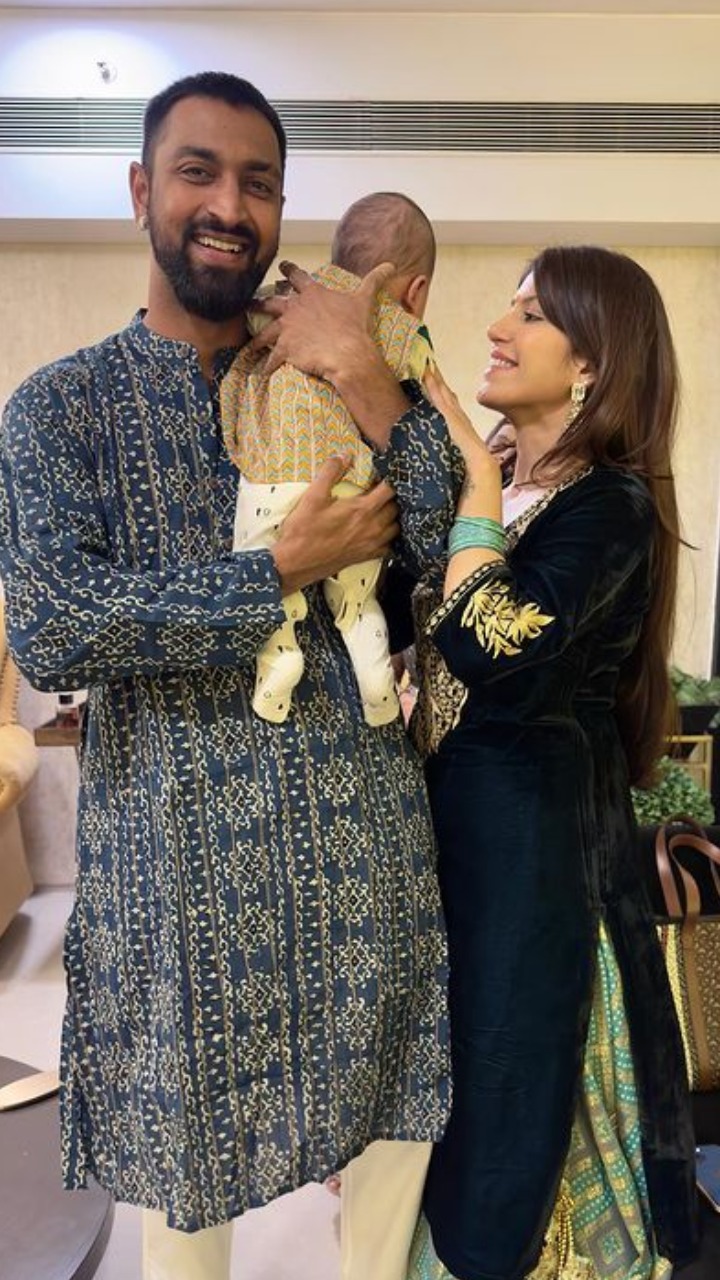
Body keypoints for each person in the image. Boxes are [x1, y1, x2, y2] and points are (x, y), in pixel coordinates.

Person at [0, 71, 457, 1280]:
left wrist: (369, 379)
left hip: (360, 846)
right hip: (180, 869)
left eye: (259, 182)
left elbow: (446, 543)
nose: (228, 205)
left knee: (395, 1115)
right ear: (141, 189)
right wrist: (272, 574)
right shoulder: (61, 409)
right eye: (197, 171)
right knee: (184, 1168)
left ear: (282, 209)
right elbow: (54, 628)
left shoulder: (347, 367)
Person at [399, 246, 698, 1280]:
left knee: (511, 1077)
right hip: (456, 839)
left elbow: (491, 637)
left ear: (591, 364)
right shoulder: (497, 485)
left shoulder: (609, 506)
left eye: (530, 314)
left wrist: (480, 483)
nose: (498, 327)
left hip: (535, 860)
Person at [220, 191, 436, 727]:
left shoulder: (292, 301)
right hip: (356, 484)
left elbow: (246, 321)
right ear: (417, 291)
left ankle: (279, 655)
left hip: (277, 473)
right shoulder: (403, 327)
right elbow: (428, 418)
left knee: (254, 553)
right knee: (359, 603)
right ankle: (377, 685)